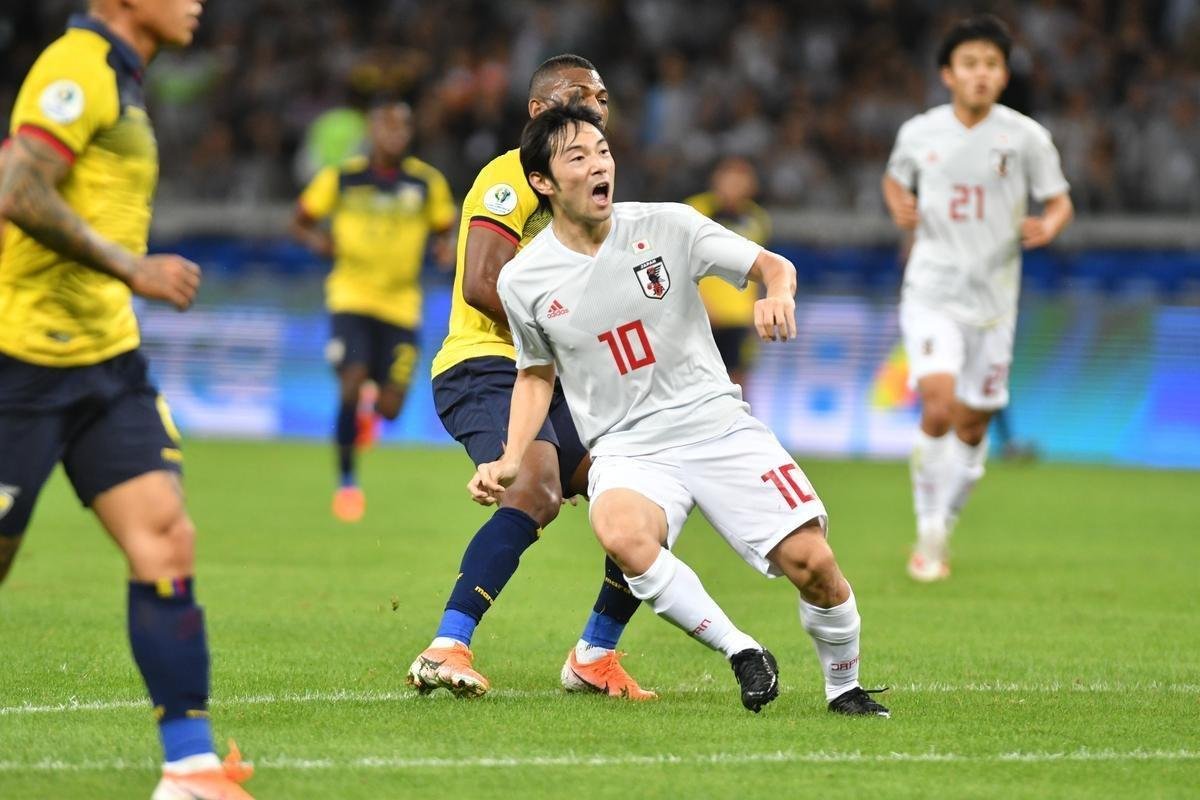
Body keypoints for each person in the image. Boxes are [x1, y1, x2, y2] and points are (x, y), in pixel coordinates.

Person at [470, 101, 890, 717]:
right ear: (543, 181)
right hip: (628, 449)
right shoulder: (523, 279)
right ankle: (742, 651)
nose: (598, 165)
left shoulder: (669, 225)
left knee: (814, 565)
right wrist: (510, 459)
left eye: (603, 152)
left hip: (717, 427)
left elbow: (773, 265)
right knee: (620, 532)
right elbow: (535, 374)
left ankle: (843, 687)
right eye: (577, 157)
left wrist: (777, 292)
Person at [0, 2, 255, 799]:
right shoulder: (77, 68)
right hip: (22, 362)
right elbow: (18, 187)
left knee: (166, 538)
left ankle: (191, 769)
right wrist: (131, 267)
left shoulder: (124, 78)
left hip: (107, 364)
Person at [407, 55, 652, 701]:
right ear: (539, 111)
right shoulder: (510, 177)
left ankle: (595, 655)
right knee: (536, 490)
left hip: (557, 372)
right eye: (580, 94)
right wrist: (567, 342)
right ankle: (445, 646)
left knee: (646, 494)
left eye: (602, 96)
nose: (596, 106)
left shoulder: (591, 195)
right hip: (485, 363)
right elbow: (481, 283)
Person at [881, 14, 1072, 582]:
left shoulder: (1027, 138)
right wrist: (898, 204)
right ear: (948, 74)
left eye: (991, 63)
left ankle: (945, 521)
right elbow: (894, 179)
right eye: (970, 63)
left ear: (1004, 74)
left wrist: (1049, 224)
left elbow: (1060, 200)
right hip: (931, 290)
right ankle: (928, 532)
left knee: (972, 428)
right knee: (939, 406)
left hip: (994, 304)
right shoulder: (920, 132)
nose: (981, 73)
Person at [292, 99, 456, 523]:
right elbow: (300, 219)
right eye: (387, 126)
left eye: (402, 127)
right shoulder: (343, 178)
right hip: (351, 298)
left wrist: (445, 248)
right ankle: (347, 484)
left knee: (391, 408)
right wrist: (317, 242)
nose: (395, 134)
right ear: (372, 132)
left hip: (402, 306)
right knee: (350, 383)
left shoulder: (425, 182)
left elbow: (447, 227)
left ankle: (371, 405)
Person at [685, 156, 771, 387]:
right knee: (696, 384)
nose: (735, 186)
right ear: (716, 180)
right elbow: (678, 263)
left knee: (737, 383)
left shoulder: (757, 219)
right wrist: (699, 303)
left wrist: (755, 311)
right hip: (701, 316)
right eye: (730, 179)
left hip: (739, 317)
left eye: (741, 181)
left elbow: (758, 269)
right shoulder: (694, 211)